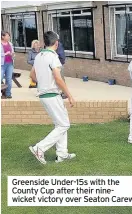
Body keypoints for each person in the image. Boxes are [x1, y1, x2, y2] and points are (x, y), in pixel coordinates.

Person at [28, 31, 76, 164]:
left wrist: (43, 83)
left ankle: (62, 154)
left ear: (45, 42)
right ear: (56, 43)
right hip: (52, 95)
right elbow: (58, 79)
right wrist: (70, 95)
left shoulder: (38, 56)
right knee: (64, 124)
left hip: (44, 95)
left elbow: (32, 75)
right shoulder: (53, 57)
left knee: (61, 124)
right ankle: (40, 148)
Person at [1, 31, 15, 99]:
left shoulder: (10, 44)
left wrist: (12, 54)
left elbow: (12, 52)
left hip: (10, 64)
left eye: (9, 36)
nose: (9, 37)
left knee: (9, 79)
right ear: (2, 37)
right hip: (2, 64)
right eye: (7, 36)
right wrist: (5, 54)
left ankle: (8, 93)